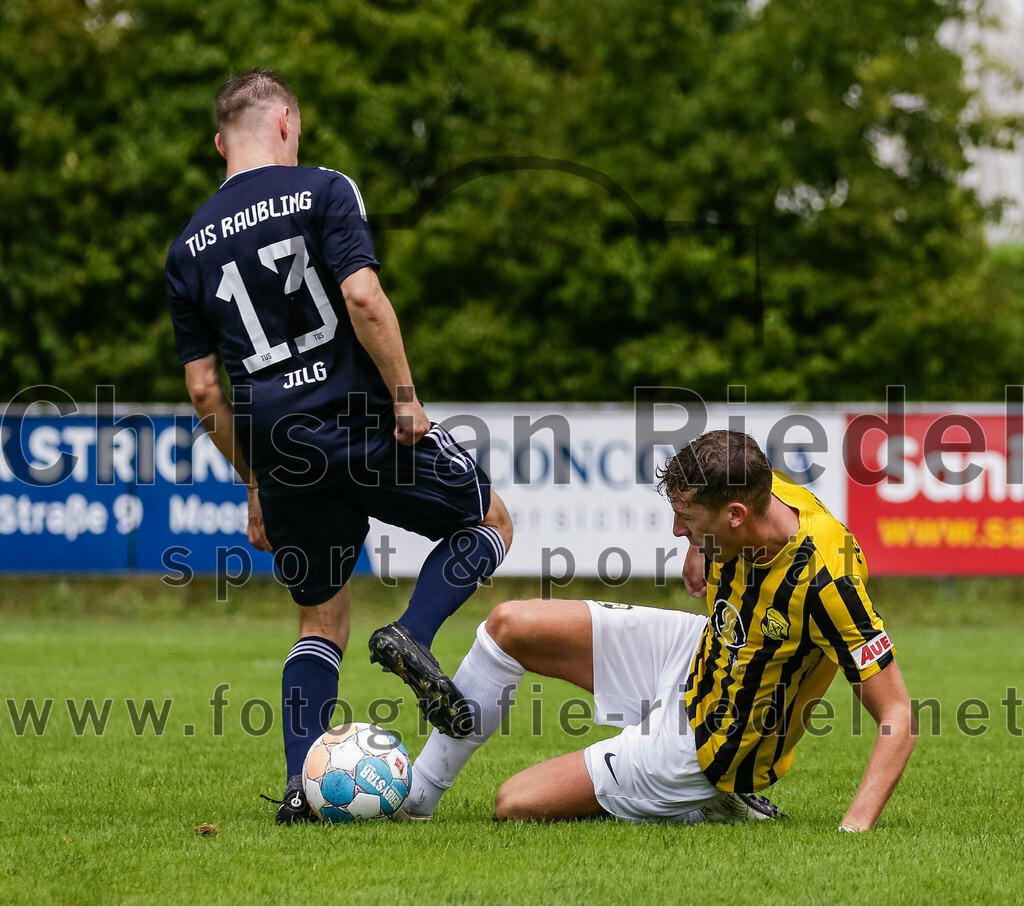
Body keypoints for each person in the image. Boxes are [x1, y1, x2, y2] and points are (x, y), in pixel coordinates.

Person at [164, 69, 513, 823]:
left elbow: (202, 389)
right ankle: (412, 637)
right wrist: (408, 397)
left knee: (319, 618)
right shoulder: (324, 189)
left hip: (277, 450)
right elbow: (361, 296)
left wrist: (253, 483)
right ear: (286, 121)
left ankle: (301, 788)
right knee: (490, 519)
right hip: (361, 423)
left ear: (219, 142)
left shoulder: (186, 247)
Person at [403, 430, 915, 829]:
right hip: (700, 649)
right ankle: (416, 800)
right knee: (509, 625)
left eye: (686, 519)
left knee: (514, 803)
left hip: (717, 739)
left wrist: (854, 826)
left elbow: (897, 713)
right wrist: (700, 548)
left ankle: (703, 800)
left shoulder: (828, 579)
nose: (675, 530)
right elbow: (721, 513)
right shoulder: (760, 485)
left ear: (736, 514)